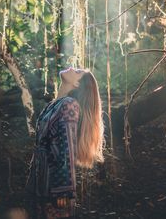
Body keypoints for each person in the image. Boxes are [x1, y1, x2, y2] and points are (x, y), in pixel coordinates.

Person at [22, 67, 105, 219]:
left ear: (77, 84)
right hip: (39, 183)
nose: (73, 68)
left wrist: (64, 190)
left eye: (78, 72)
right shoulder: (55, 104)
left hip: (54, 189)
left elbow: (67, 148)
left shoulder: (69, 105)